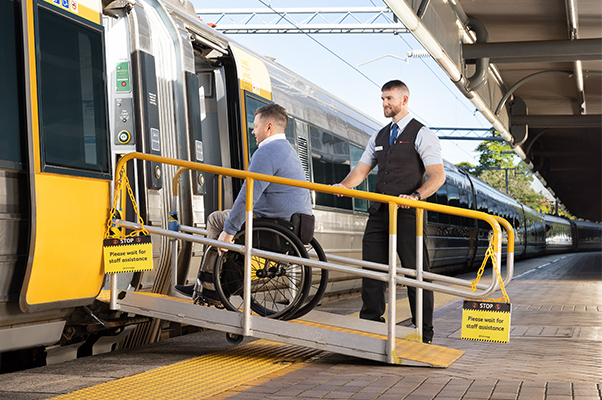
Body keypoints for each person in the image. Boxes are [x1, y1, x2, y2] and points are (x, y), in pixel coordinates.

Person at [333, 80, 445, 343]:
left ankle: (423, 331)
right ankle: (372, 326)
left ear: (404, 100)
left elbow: (437, 176)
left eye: (389, 99)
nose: (384, 104)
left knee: (415, 272)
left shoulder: (422, 133)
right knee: (372, 269)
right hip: (380, 211)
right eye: (382, 98)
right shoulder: (379, 136)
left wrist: (416, 196)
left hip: (408, 212)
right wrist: (345, 186)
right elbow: (361, 170)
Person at [175, 103, 312, 297]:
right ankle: (228, 282)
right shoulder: (289, 151)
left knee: (216, 219)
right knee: (234, 222)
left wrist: (228, 232)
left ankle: (210, 287)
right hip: (295, 228)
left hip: (274, 229)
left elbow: (247, 196)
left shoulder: (267, 152)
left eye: (256, 127)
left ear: (269, 127)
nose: (253, 132)